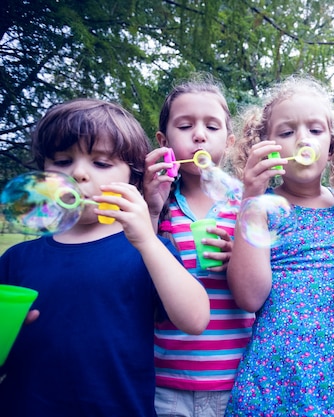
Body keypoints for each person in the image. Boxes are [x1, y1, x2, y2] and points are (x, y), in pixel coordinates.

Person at [0, 98, 210, 416]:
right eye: (61, 160)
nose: (79, 174)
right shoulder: (17, 259)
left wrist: (148, 242)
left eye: (100, 163)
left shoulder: (146, 251)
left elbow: (195, 320)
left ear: (132, 180)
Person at [224, 76, 334, 416]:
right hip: (276, 384)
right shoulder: (260, 208)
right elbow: (249, 297)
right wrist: (250, 197)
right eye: (286, 132)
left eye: (315, 130)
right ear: (265, 145)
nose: (302, 140)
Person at [143, 76, 255, 417]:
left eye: (212, 126)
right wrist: (150, 208)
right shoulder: (159, 205)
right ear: (164, 140)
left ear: (230, 140)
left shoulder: (248, 203)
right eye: (185, 125)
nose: (199, 135)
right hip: (169, 382)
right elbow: (136, 272)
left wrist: (241, 259)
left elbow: (264, 287)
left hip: (240, 378)